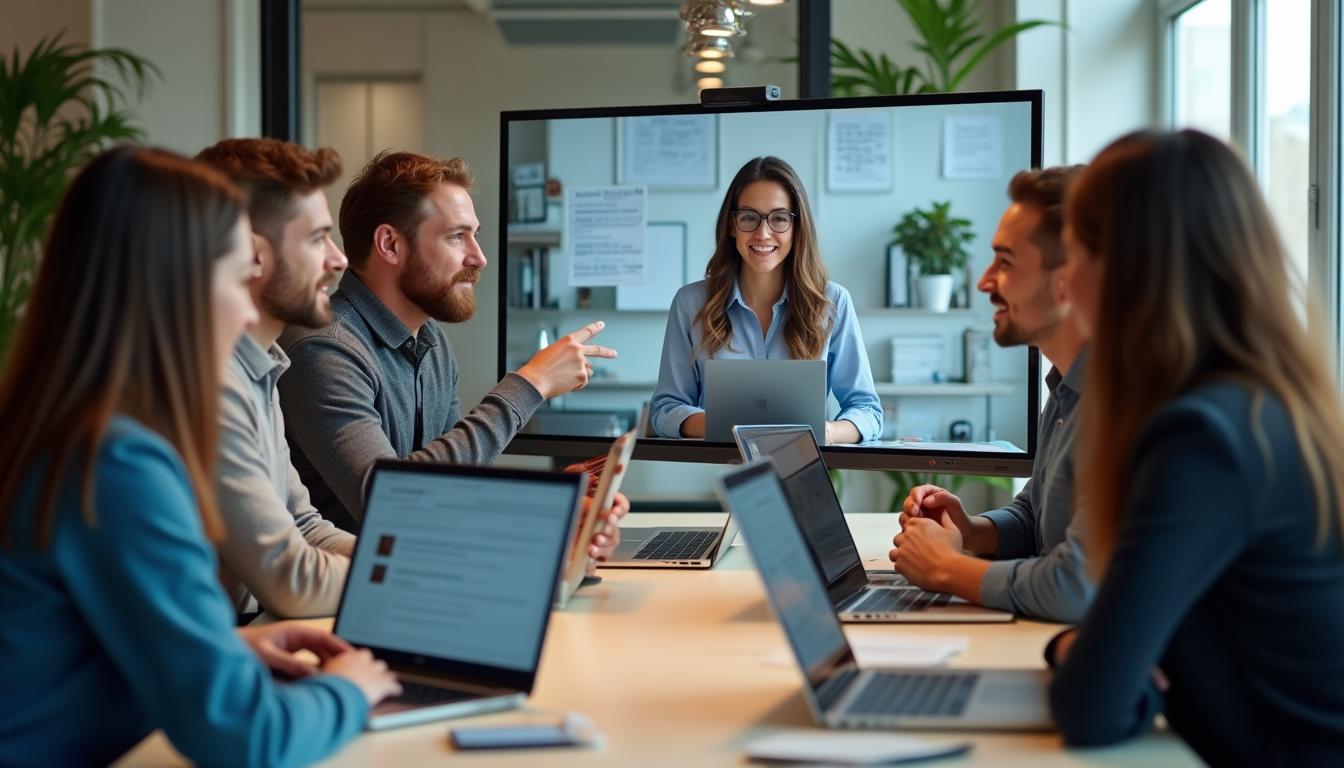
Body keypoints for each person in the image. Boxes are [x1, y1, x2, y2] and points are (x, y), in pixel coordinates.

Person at [0, 146, 400, 768]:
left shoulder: (64, 424)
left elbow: (84, 643)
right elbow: (249, 738)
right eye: (233, 278)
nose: (247, 310)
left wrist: (227, 653)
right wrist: (349, 690)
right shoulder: (121, 461)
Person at [1047, 130, 1344, 764]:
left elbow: (1092, 704)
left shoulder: (1204, 437)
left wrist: (1080, 650)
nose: (1066, 279)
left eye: (1075, 252)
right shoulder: (1268, 405)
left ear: (1130, 265)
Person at [278, 151, 627, 556]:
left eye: (474, 235)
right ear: (390, 244)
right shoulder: (323, 347)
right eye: (456, 236)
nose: (479, 257)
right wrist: (530, 384)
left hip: (423, 570)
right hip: (343, 599)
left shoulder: (430, 339)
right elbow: (393, 503)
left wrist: (554, 510)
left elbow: (448, 488)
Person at [887, 166, 1094, 623]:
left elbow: (1078, 584)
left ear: (1067, 280)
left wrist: (946, 567)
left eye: (1005, 262)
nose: (984, 282)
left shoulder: (1123, 403)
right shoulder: (1065, 388)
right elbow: (1035, 520)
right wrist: (969, 530)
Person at [195, 138, 354, 620]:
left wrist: (416, 564)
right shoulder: (208, 383)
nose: (338, 259)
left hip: (244, 642)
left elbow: (304, 526)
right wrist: (416, 575)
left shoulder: (262, 365)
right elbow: (291, 580)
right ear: (252, 253)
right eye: (315, 239)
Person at [650, 156, 882, 444]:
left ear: (797, 229)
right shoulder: (690, 303)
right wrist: (725, 426)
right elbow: (665, 410)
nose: (763, 233)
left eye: (779, 218)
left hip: (804, 466)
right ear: (732, 225)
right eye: (749, 217)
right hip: (714, 471)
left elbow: (868, 412)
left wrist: (829, 432)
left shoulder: (832, 302)